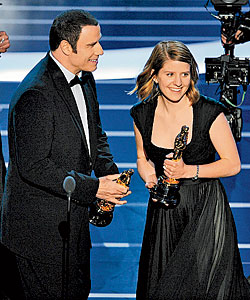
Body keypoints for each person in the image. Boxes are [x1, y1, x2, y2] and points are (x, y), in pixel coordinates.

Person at [0, 10, 130, 300]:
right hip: (40, 234)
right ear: (65, 47)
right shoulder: (35, 94)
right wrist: (96, 188)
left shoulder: (84, 76)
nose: (101, 51)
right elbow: (34, 167)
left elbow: (94, 132)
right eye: (92, 45)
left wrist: (107, 170)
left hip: (72, 225)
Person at [130, 40, 250, 299]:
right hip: (164, 213)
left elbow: (232, 164)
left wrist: (188, 171)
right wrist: (149, 175)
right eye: (170, 74)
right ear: (155, 75)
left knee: (205, 287)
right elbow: (142, 157)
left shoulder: (210, 112)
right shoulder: (141, 114)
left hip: (206, 209)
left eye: (185, 74)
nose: (178, 82)